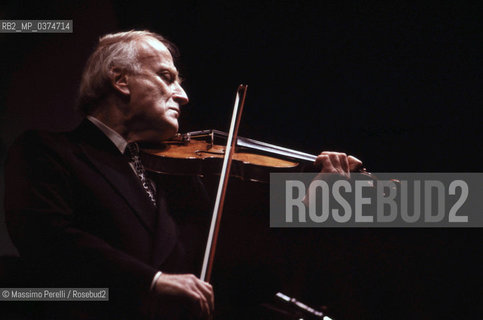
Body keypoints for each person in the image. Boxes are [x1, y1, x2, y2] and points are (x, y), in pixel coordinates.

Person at [4, 30, 362, 319]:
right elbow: (48, 240)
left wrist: (309, 204)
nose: (184, 95)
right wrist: (153, 281)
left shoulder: (175, 177)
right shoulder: (48, 151)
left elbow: (242, 275)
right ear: (120, 80)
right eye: (167, 77)